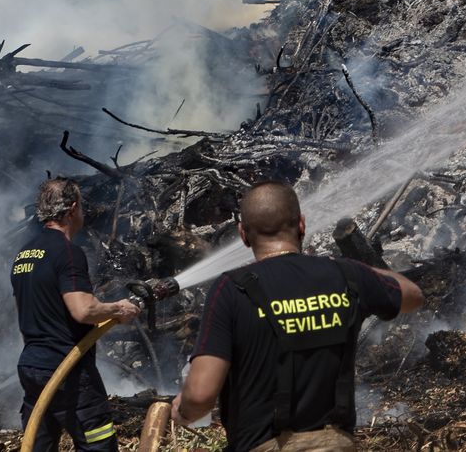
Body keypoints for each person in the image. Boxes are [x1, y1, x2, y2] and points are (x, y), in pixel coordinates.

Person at [173, 181, 425, 451]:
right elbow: (413, 295)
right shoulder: (346, 275)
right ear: (302, 225)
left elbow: (200, 396)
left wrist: (183, 412)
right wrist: (354, 270)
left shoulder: (231, 289)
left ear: (243, 234)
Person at [11, 176, 141, 452]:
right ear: (72, 209)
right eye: (81, 206)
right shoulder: (68, 252)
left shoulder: (24, 254)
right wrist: (119, 308)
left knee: (38, 445)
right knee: (98, 444)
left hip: (32, 367)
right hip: (65, 369)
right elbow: (83, 310)